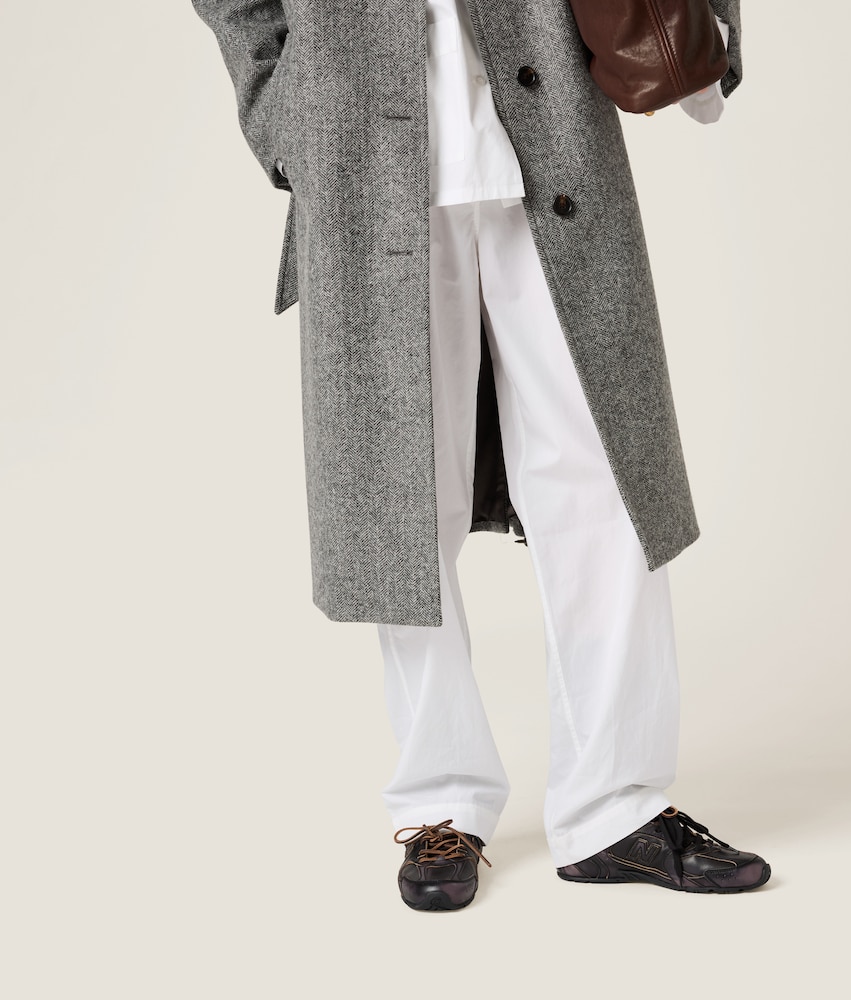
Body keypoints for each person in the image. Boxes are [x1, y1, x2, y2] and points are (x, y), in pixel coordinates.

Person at [191, 0, 768, 912]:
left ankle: (614, 805)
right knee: (399, 505)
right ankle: (440, 800)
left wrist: (707, 35)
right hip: (359, 153)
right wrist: (279, 107)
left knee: (608, 475)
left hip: (551, 125)